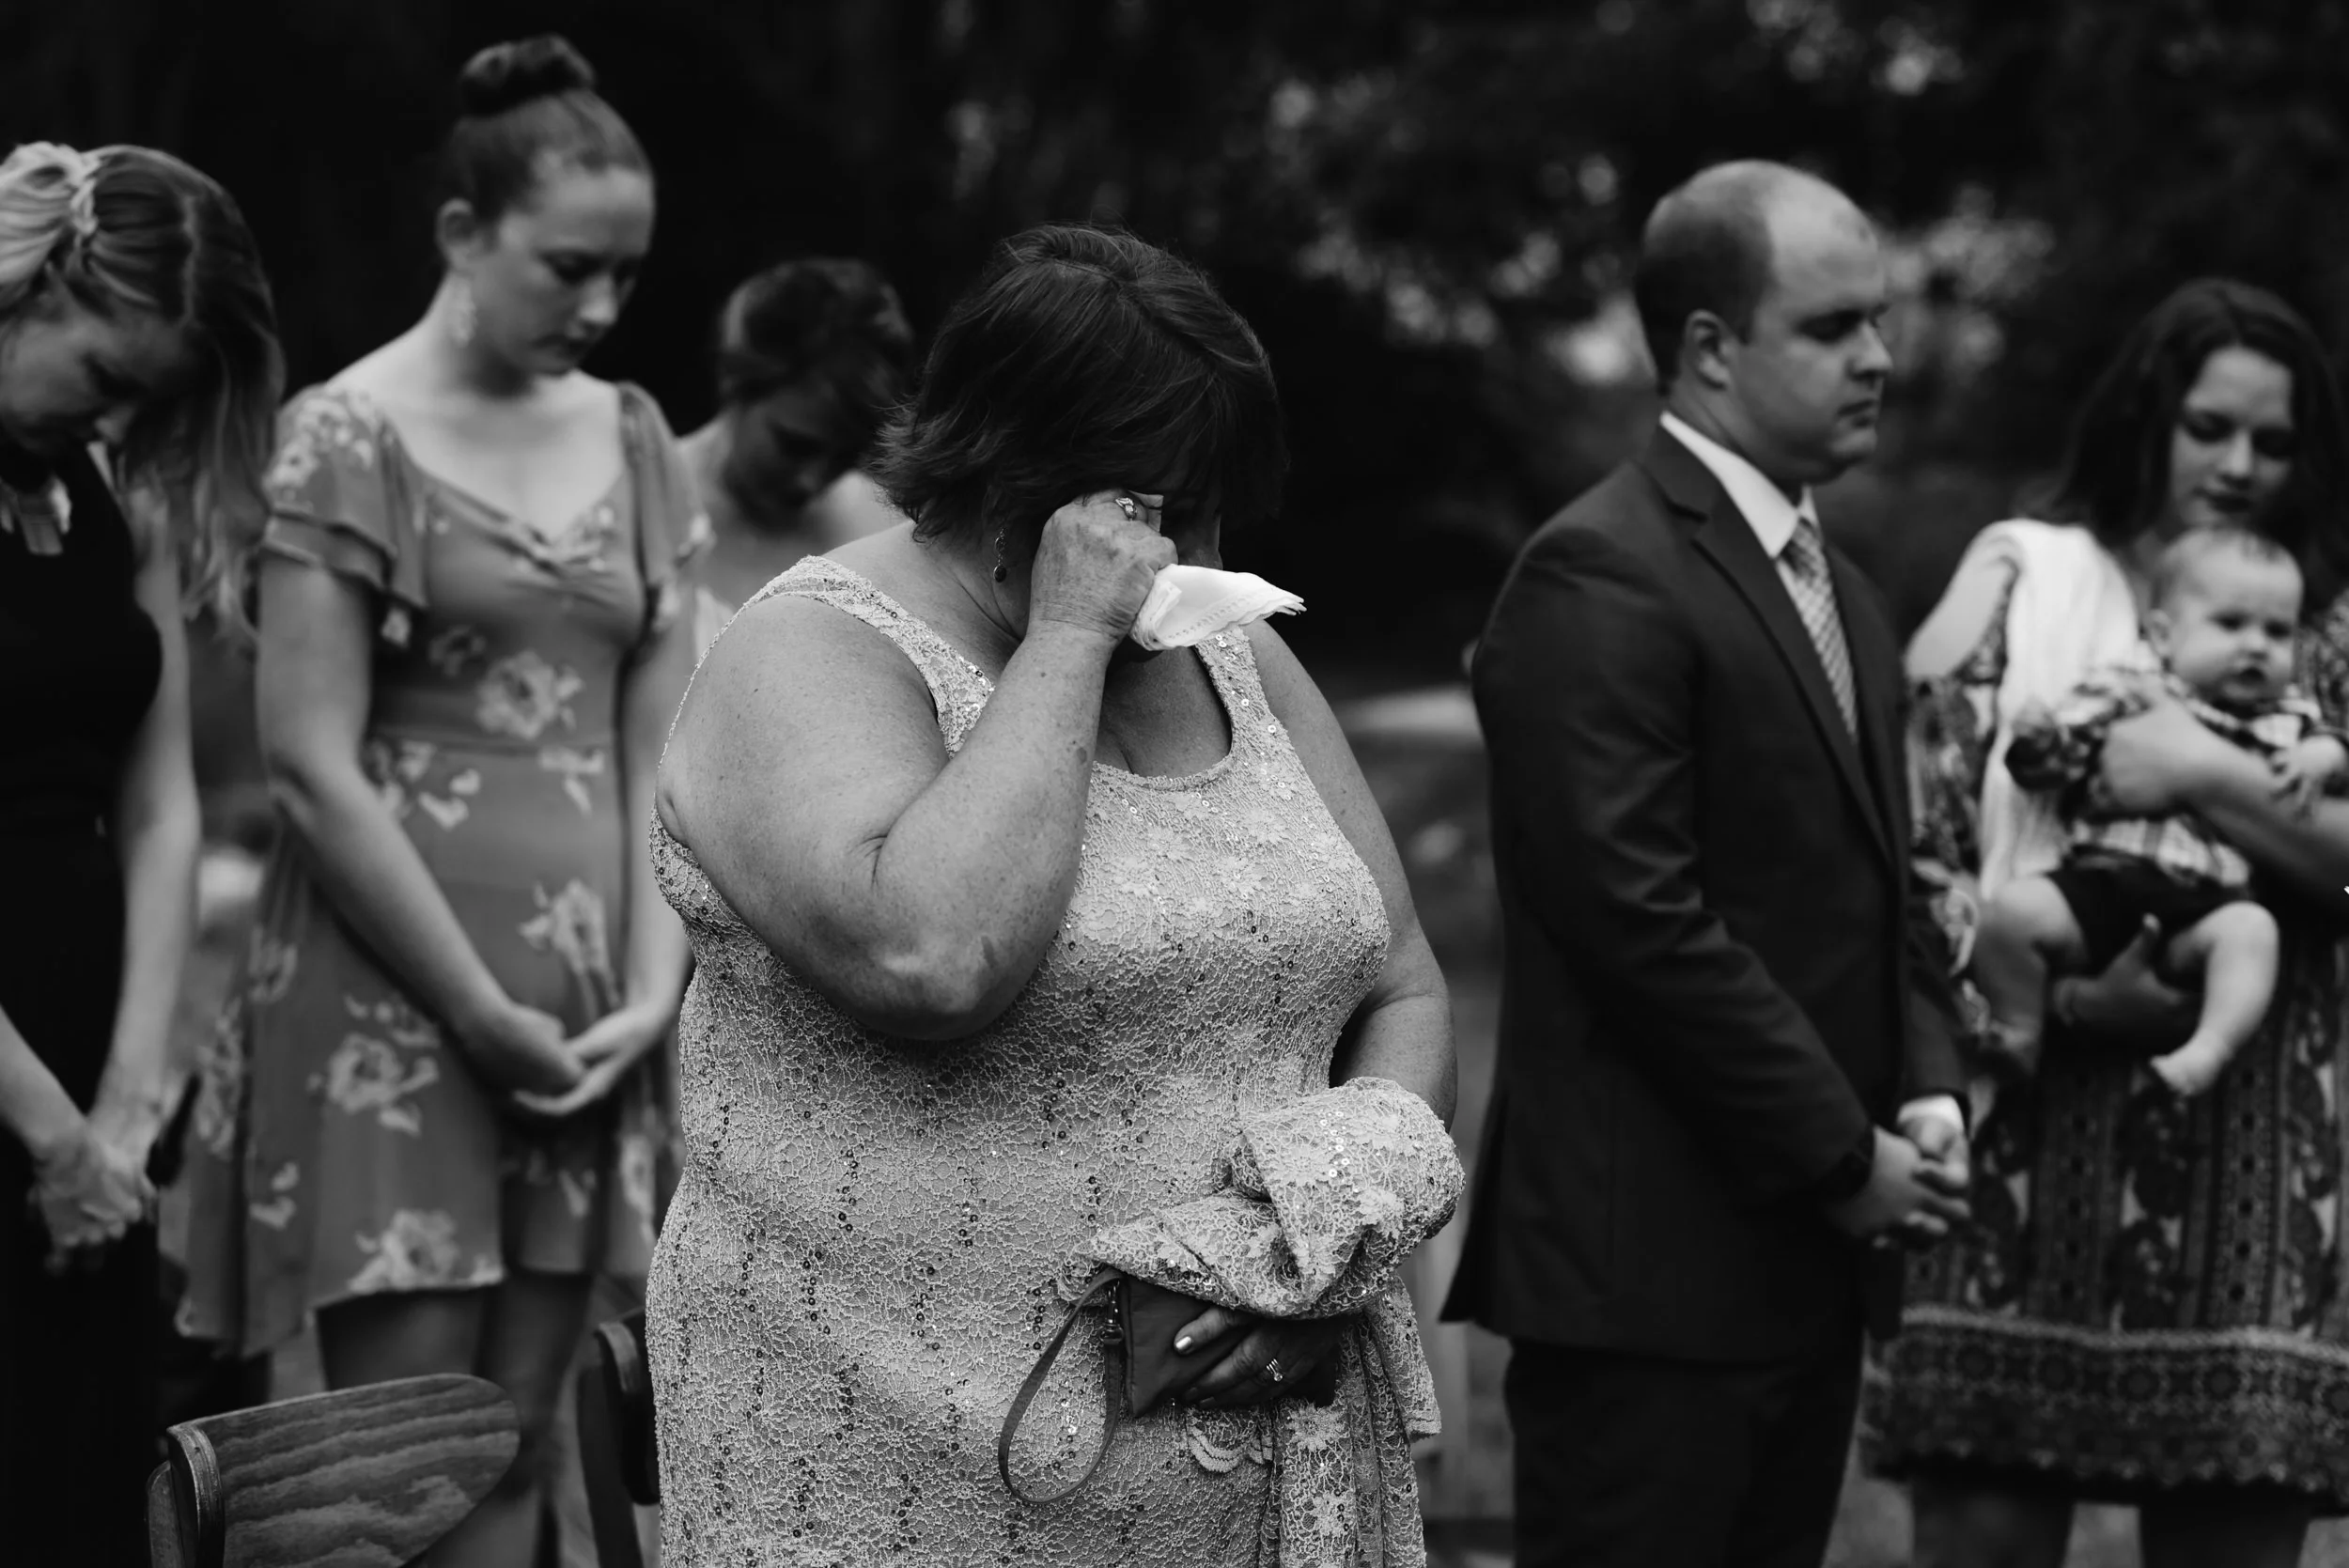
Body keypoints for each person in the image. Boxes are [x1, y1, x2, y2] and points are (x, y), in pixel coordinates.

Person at [646, 223, 1459, 1565]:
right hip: (908, 1471)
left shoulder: (1231, 653)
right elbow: (933, 958)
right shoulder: (802, 649)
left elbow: (1404, 979)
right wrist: (1074, 633)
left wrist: (1322, 1246)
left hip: (1238, 1467)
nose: (1200, 551)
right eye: (1169, 509)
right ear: (1040, 484)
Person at [177, 38, 699, 1568]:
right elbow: (306, 763)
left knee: (537, 1440)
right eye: (567, 268)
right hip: (397, 1005)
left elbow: (663, 738)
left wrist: (652, 990)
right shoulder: (347, 434)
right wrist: (477, 1010)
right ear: (463, 236)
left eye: (627, 275)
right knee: (398, 1471)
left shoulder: (636, 437)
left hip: (591, 1005)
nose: (600, 309)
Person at [1441, 160, 1973, 1568]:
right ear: (1710, 349)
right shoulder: (1598, 572)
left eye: (1879, 320)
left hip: (1798, 1264)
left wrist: (1924, 1088)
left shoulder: (1839, 587)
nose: (1880, 357)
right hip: (1650, 1288)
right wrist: (1838, 1151)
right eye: (1833, 325)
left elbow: (1887, 878)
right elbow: (1637, 919)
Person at [1871, 276, 2349, 1568]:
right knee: (1980, 1529)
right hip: (2019, 1133)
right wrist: (2068, 1005)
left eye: (2276, 438)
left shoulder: (2318, 618)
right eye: (2211, 426)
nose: (2242, 464)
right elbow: (1916, 844)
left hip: (2252, 1153)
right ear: (2147, 416)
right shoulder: (2024, 573)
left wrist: (2196, 771)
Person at [0, 139, 281, 1568]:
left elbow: (163, 801)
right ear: (31, 282)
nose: (113, 420)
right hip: (13, 1089)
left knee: (77, 1490)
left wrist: (124, 1105)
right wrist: (50, 1132)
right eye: (106, 377)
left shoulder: (91, 486)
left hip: (85, 1073)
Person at [1974, 527, 2346, 1095]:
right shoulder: (2128, 687)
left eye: (2277, 632)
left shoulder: (2291, 716)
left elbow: (2332, 756)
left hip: (2208, 902)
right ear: (2164, 636)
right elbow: (2057, 765)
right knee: (2010, 915)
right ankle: (2020, 1028)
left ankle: (2210, 1048)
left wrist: (2327, 754)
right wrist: (2038, 741)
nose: (2255, 646)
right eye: (2230, 624)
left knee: (2252, 934)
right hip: (2105, 884)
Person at [677, 256, 914, 644]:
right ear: (735, 383)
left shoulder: (884, 532)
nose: (812, 482)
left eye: (843, 457)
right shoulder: (643, 502)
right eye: (796, 446)